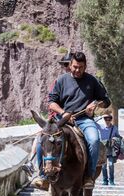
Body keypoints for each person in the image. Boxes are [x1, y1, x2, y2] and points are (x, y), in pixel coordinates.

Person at [46, 51, 111, 189]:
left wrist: (96, 104)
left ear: (85, 66)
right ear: (70, 65)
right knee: (44, 138)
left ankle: (89, 176)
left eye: (80, 67)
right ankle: (43, 175)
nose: (77, 70)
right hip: (62, 120)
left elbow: (106, 101)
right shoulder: (61, 80)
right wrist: (64, 113)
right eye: (75, 67)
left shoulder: (92, 81)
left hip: (84, 120)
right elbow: (51, 103)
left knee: (93, 140)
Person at [23, 52, 73, 188]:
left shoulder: (81, 81)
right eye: (65, 65)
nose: (67, 68)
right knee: (40, 141)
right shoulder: (58, 82)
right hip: (58, 119)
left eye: (69, 64)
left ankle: (87, 174)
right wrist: (56, 116)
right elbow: (52, 102)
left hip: (75, 118)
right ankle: (42, 174)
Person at [97, 113, 121, 186]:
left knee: (111, 165)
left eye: (109, 119)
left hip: (111, 149)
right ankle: (105, 180)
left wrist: (115, 139)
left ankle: (112, 180)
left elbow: (119, 137)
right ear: (104, 120)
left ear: (111, 119)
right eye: (106, 119)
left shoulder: (114, 128)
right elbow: (93, 122)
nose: (107, 120)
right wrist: (101, 117)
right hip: (103, 149)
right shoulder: (100, 127)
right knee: (104, 166)